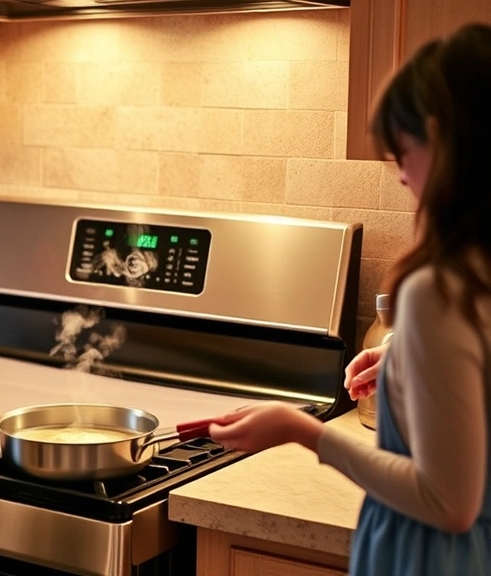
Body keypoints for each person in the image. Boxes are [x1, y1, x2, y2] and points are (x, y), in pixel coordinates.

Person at [207, 23, 491, 575]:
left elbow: (447, 503)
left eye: (401, 148)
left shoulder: (439, 288)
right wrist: (405, 358)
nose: (398, 172)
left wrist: (301, 431)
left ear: (441, 137)